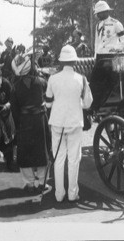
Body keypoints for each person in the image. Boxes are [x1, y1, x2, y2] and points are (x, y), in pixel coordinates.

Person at [45, 45, 93, 202]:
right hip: (75, 123)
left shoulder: (52, 79)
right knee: (74, 160)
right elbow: (87, 104)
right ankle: (73, 194)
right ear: (74, 62)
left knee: (58, 159)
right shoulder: (82, 79)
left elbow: (48, 103)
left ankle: (59, 195)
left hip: (58, 123)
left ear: (61, 62)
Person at [10, 49, 51, 193]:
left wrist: (18, 124)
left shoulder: (15, 87)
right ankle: (42, 182)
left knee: (25, 152)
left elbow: (14, 109)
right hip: (40, 119)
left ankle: (29, 183)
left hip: (24, 120)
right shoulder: (41, 82)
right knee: (42, 151)